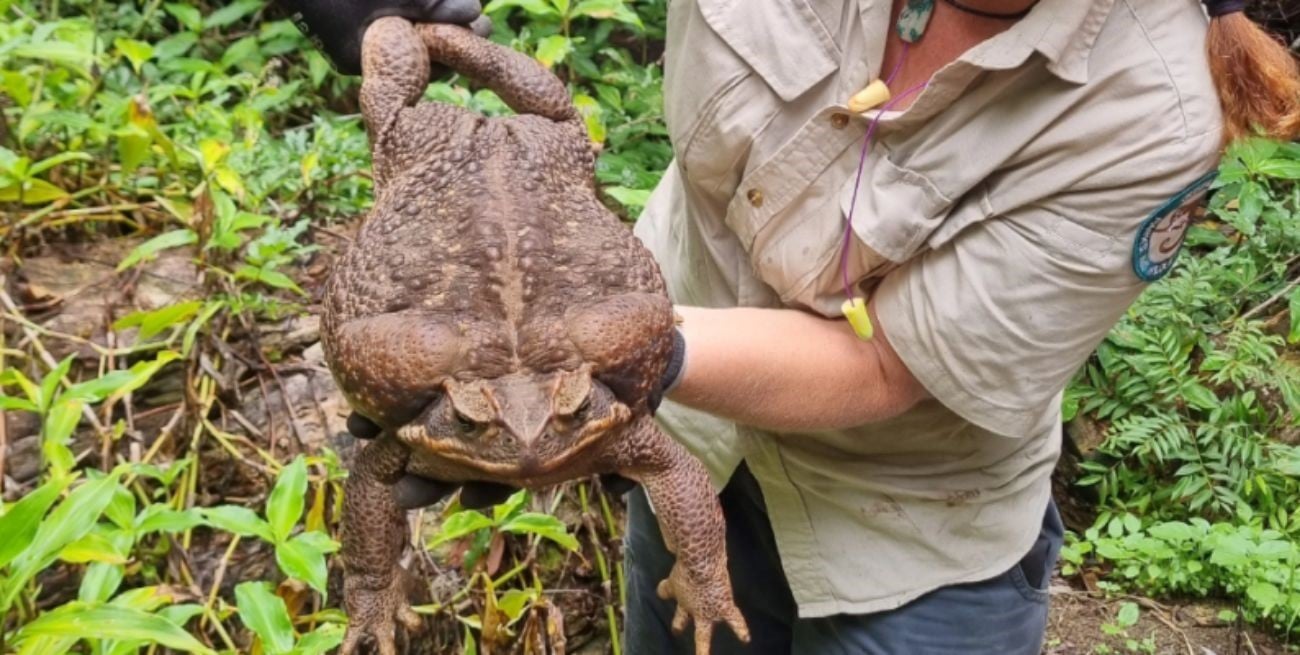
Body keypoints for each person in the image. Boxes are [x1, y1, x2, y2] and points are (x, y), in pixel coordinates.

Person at [280, 0, 1300, 652]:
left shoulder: (1151, 111)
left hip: (903, 521)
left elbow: (886, 368)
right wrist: (396, 25)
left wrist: (616, 363)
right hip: (682, 435)